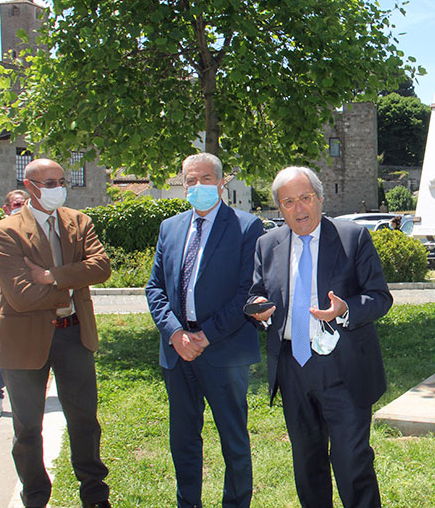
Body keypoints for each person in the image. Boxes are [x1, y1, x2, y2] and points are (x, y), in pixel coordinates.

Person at [248, 166, 392, 508]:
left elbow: (379, 297)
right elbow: (256, 294)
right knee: (307, 462)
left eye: (305, 198)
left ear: (320, 198)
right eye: (288, 202)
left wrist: (345, 309)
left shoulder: (352, 237)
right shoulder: (267, 244)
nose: (299, 209)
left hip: (342, 369)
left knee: (351, 460)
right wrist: (257, 310)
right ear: (279, 208)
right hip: (291, 366)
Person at [0, 158, 112, 508]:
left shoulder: (79, 221)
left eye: (61, 181)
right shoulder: (4, 230)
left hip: (74, 334)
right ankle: (36, 497)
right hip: (24, 342)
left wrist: (50, 275)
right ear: (30, 187)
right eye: (49, 182)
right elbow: (20, 295)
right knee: (27, 430)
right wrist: (69, 286)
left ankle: (94, 494)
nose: (58, 187)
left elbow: (101, 267)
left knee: (85, 420)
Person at [146, 152, 264, 508]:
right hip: (177, 352)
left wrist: (206, 335)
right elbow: (155, 288)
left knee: (234, 440)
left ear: (222, 182)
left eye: (206, 179)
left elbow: (248, 291)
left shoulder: (247, 226)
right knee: (183, 440)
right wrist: (175, 334)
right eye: (191, 181)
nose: (198, 187)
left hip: (224, 351)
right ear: (183, 185)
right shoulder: (170, 227)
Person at [0, 189, 28, 419]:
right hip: (3, 301)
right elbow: (0, 267)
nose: (20, 207)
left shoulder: (33, 231)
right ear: (6, 208)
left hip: (32, 301)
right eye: (16, 204)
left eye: (24, 203)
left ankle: (25, 395)